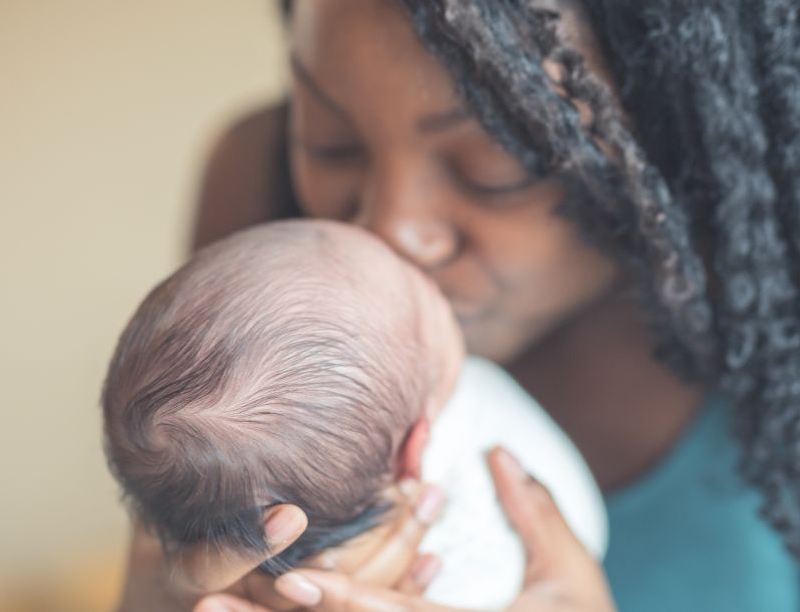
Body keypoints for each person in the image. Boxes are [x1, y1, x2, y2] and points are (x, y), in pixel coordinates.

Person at [117, 0, 800, 610]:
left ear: (689, 135)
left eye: (493, 168)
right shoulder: (266, 203)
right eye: (332, 140)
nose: (387, 228)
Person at [102, 220, 607, 610]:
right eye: (334, 149)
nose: (398, 237)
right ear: (414, 451)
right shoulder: (485, 526)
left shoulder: (256, 570)